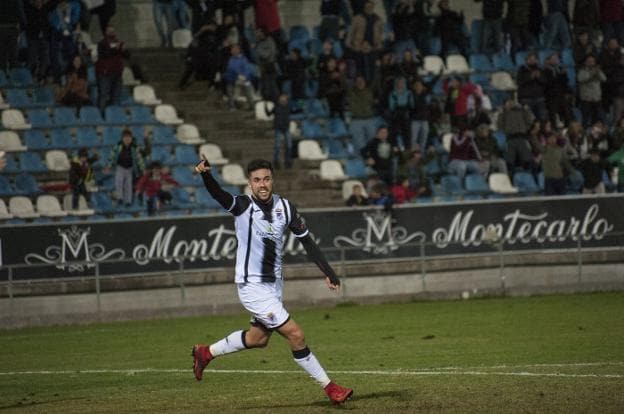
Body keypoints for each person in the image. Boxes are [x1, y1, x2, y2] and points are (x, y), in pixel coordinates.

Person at [191, 158, 353, 405]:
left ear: (272, 180)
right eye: (257, 180)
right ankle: (330, 388)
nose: (262, 184)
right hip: (252, 286)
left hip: (274, 285)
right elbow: (220, 195)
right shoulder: (243, 206)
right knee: (296, 334)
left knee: (259, 339)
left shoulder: (285, 208)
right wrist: (206, 175)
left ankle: (206, 353)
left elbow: (306, 241)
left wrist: (328, 271)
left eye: (266, 179)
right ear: (250, 183)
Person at [95, 25, 129, 112]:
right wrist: (115, 49)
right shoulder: (102, 43)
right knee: (103, 95)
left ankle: (115, 114)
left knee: (116, 96)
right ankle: (101, 115)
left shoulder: (119, 43)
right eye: (109, 31)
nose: (111, 33)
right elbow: (104, 54)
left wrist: (124, 50)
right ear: (105, 32)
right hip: (105, 74)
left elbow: (127, 56)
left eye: (113, 31)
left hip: (117, 74)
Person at [108, 129, 145, 206]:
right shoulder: (118, 146)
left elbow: (139, 158)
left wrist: (142, 168)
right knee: (119, 182)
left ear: (131, 138)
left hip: (130, 168)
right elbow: (112, 156)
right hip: (120, 167)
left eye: (129, 138)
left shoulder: (135, 148)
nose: (127, 139)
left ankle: (128, 201)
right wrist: (109, 166)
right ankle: (120, 198)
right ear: (122, 138)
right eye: (125, 138)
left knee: (128, 185)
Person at [223, 43, 256, 110]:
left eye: (236, 49)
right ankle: (232, 106)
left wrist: (243, 77)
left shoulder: (243, 59)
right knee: (229, 86)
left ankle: (252, 106)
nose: (234, 50)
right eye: (233, 49)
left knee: (247, 85)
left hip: (244, 79)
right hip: (233, 80)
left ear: (239, 50)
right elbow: (228, 71)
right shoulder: (229, 60)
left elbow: (247, 70)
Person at [265, 94, 293, 169]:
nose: (283, 101)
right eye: (281, 99)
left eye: (284, 99)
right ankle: (276, 161)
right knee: (277, 146)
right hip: (278, 128)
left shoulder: (288, 108)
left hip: (286, 128)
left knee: (289, 146)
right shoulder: (276, 107)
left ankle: (288, 161)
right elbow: (268, 114)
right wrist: (265, 107)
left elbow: (295, 111)